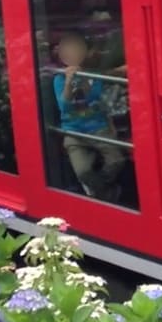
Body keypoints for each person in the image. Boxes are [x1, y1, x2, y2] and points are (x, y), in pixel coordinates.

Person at [53, 32, 127, 201]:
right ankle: (106, 194)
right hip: (74, 131)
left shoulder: (94, 75)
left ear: (85, 52)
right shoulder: (58, 78)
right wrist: (68, 82)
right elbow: (64, 106)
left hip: (98, 127)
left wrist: (85, 80)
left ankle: (101, 189)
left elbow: (93, 97)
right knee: (83, 171)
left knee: (116, 161)